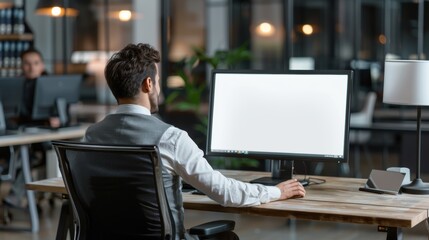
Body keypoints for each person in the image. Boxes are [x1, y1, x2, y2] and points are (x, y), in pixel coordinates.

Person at [83, 43, 306, 240]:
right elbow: (224, 193)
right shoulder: (170, 138)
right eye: (159, 81)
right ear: (148, 84)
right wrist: (276, 192)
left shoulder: (91, 136)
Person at [2, 48, 54, 208]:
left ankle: (15, 194)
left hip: (42, 140)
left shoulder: (52, 85)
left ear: (42, 65)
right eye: (27, 64)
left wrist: (56, 118)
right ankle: (14, 191)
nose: (31, 68)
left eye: (36, 63)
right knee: (22, 153)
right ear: (22, 66)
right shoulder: (16, 86)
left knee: (27, 156)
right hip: (20, 134)